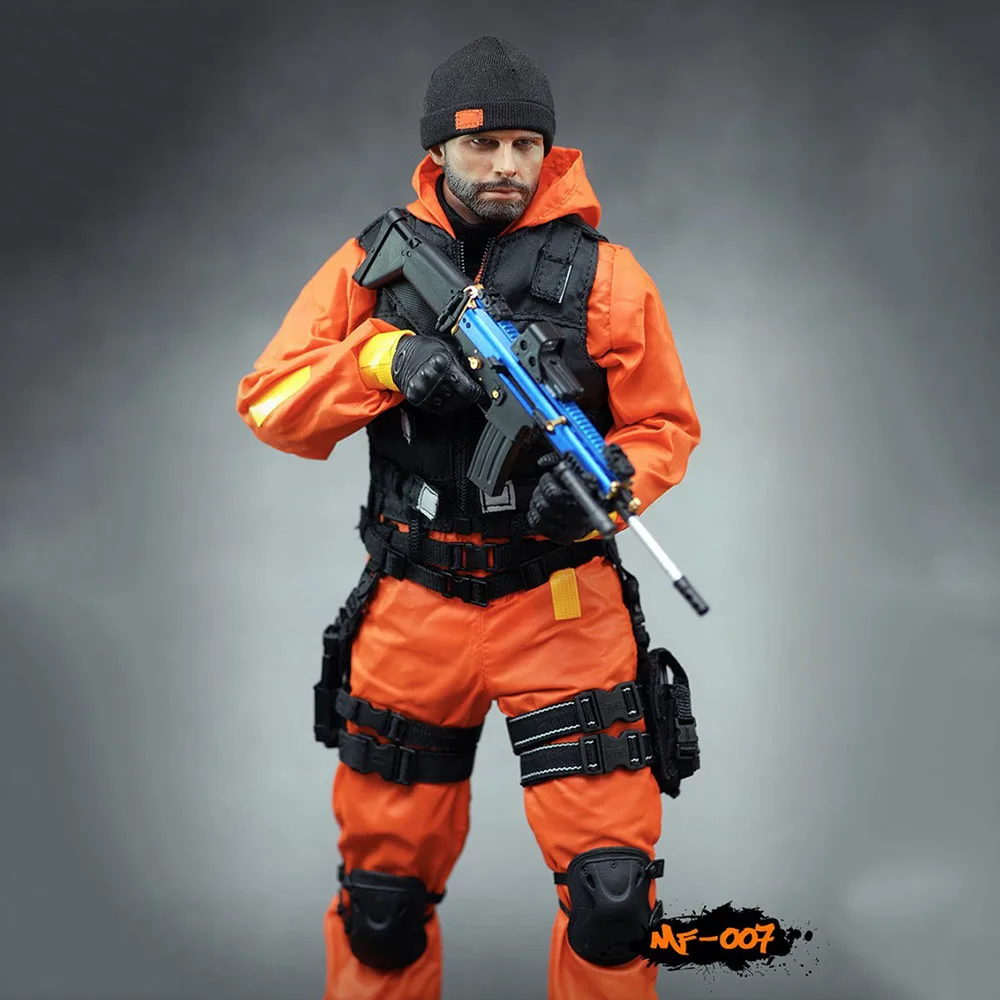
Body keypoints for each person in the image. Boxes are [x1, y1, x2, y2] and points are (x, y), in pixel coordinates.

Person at [236, 34, 701, 1000]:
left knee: (614, 901)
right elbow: (270, 403)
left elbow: (664, 427)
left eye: (526, 145)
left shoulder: (608, 277)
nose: (505, 165)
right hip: (415, 601)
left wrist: (604, 489)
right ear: (438, 150)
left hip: (560, 603)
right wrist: (383, 361)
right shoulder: (371, 266)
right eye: (482, 144)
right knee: (382, 902)